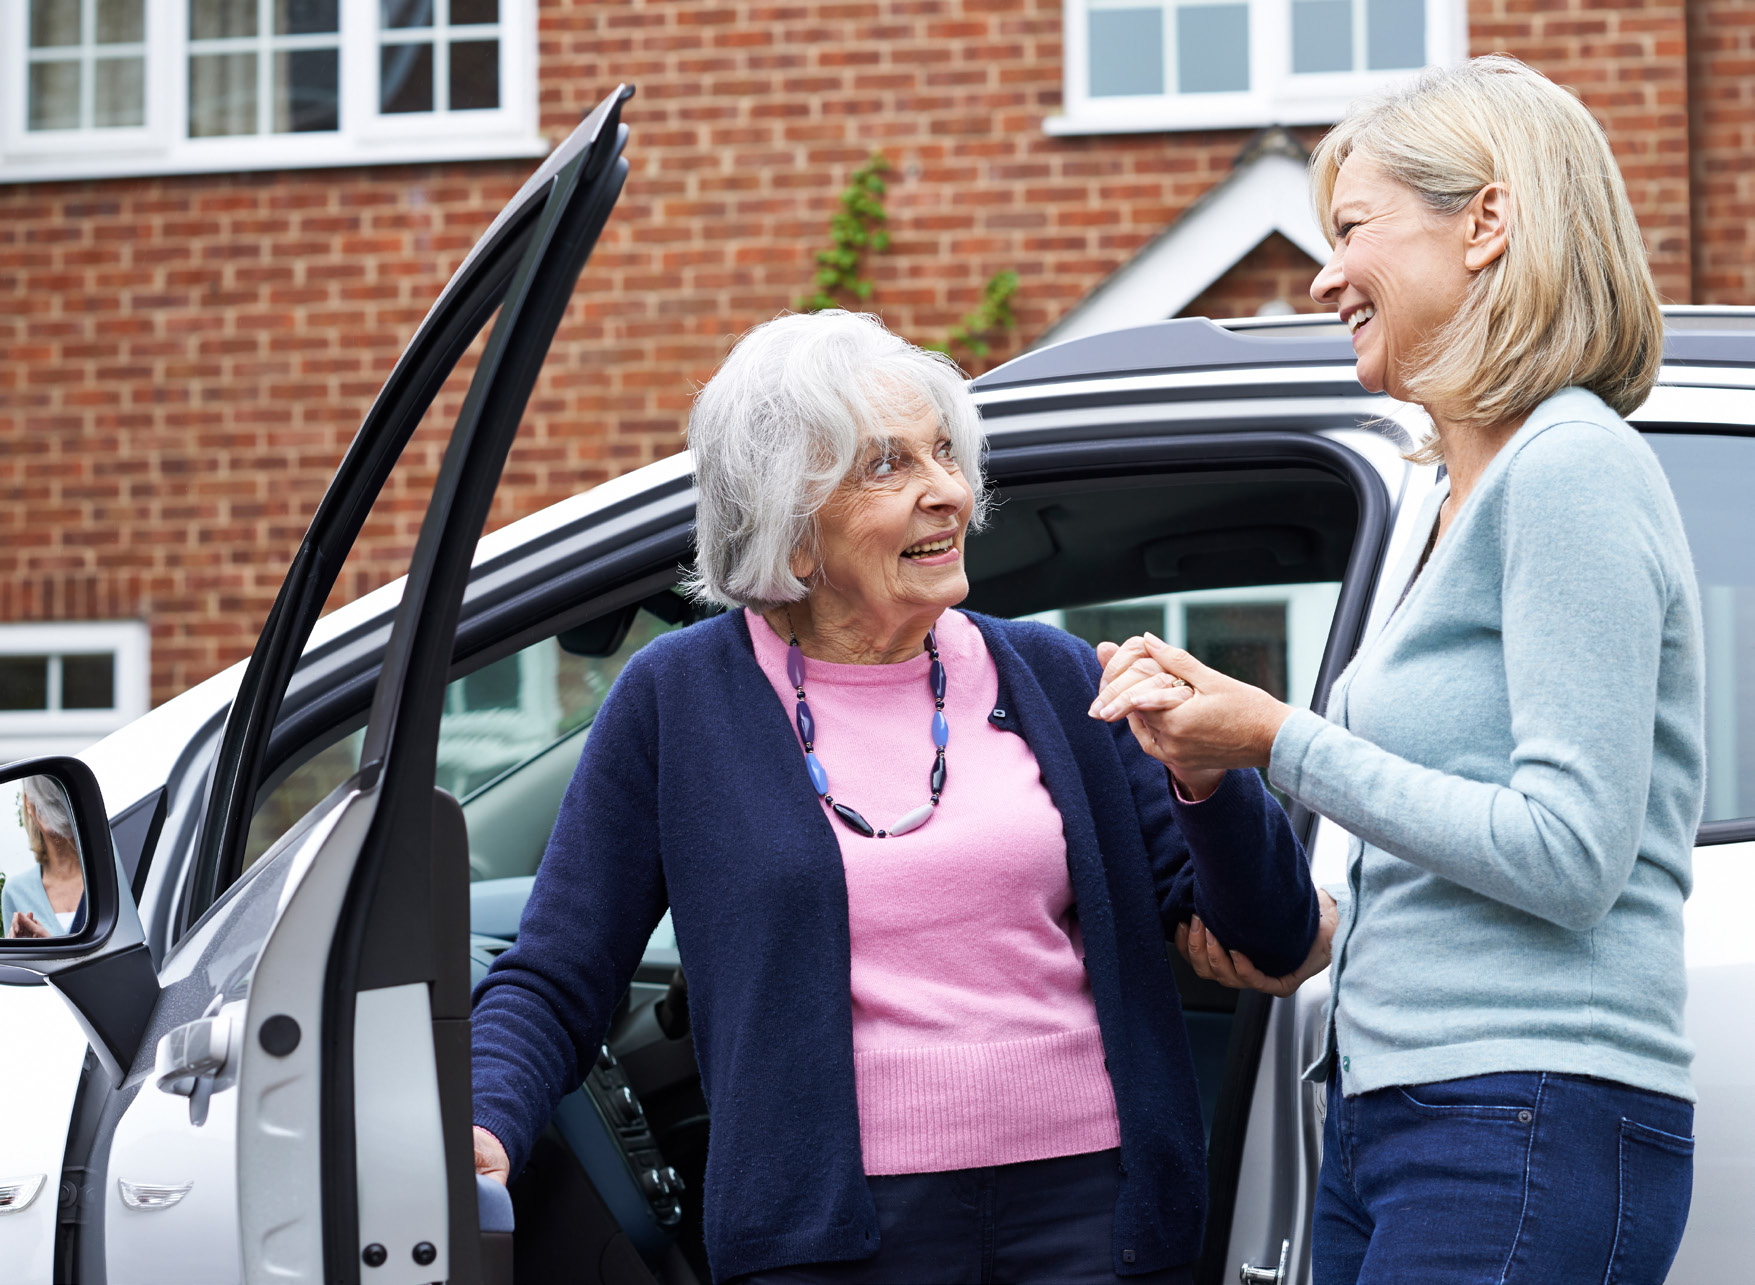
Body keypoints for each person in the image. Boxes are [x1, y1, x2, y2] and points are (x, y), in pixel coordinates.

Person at [470, 309, 1320, 1284]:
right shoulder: (677, 702)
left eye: (946, 454)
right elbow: (559, 969)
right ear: (788, 515)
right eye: (888, 466)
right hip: (829, 1237)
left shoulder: (1053, 676)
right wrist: (485, 1120)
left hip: (1096, 1214)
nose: (948, 493)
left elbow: (1271, 938)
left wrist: (1208, 778)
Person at [1090, 56, 1703, 1285]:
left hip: (1515, 1112)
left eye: (1353, 229)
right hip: (1410, 1113)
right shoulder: (1453, 499)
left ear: (1487, 221)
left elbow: (1572, 853)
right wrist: (1328, 928)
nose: (1323, 276)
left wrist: (1277, 738)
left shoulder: (1570, 466)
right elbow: (1469, 837)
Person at [5, 776, 87, 938]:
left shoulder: (106, 872)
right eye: (40, 791)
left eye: (54, 787)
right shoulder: (15, 891)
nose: (48, 798)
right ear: (28, 801)